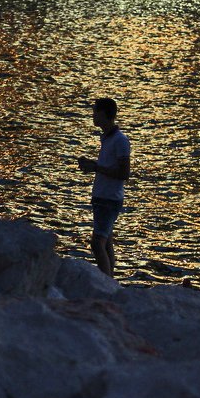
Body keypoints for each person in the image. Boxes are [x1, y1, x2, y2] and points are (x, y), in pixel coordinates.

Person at [78, 98, 131, 277]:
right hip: (102, 197)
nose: (93, 115)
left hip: (109, 199)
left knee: (97, 243)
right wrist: (93, 166)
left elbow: (124, 173)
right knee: (107, 241)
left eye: (95, 111)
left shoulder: (120, 140)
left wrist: (97, 167)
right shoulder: (108, 139)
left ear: (103, 113)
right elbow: (109, 168)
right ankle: (111, 281)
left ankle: (106, 285)